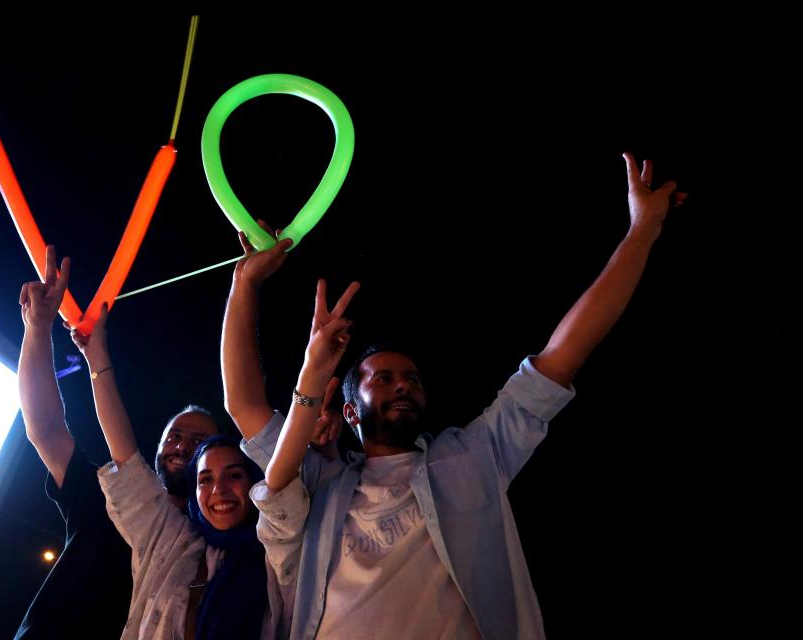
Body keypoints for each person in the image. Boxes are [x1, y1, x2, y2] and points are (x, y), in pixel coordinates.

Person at [225, 154, 686, 639]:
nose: (403, 384)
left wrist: (641, 231)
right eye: (382, 379)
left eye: (411, 378)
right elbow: (244, 406)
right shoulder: (319, 480)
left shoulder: (476, 456)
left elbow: (563, 353)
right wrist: (245, 282)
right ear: (348, 409)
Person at [65, 285, 293, 638]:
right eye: (205, 479)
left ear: (253, 482)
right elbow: (122, 449)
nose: (219, 489)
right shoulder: (165, 534)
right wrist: (97, 358)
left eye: (233, 474)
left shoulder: (278, 546)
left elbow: (255, 417)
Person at [14, 247, 219, 638]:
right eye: (174, 436)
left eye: (199, 441)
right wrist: (37, 329)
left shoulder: (207, 549)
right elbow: (44, 428)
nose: (182, 446)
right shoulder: (104, 498)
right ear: (155, 451)